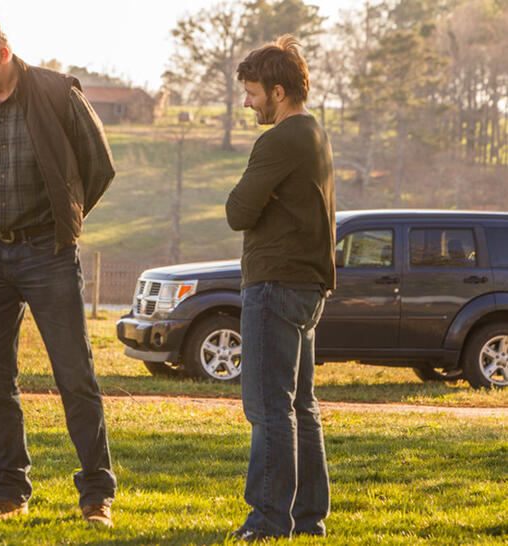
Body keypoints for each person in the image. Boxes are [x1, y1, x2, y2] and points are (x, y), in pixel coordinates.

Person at [0, 15, 116, 527]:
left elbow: (99, 166)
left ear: (3, 53)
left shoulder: (59, 93)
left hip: (47, 252)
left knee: (74, 375)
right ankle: (9, 491)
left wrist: (65, 216)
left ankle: (96, 495)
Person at [225, 35, 336, 541]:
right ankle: (309, 518)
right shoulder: (316, 135)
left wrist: (256, 195)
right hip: (308, 287)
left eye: (252, 93)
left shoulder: (279, 141)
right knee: (300, 407)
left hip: (274, 286)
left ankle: (269, 521)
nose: (247, 103)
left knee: (268, 407)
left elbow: (237, 211)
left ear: (278, 92)